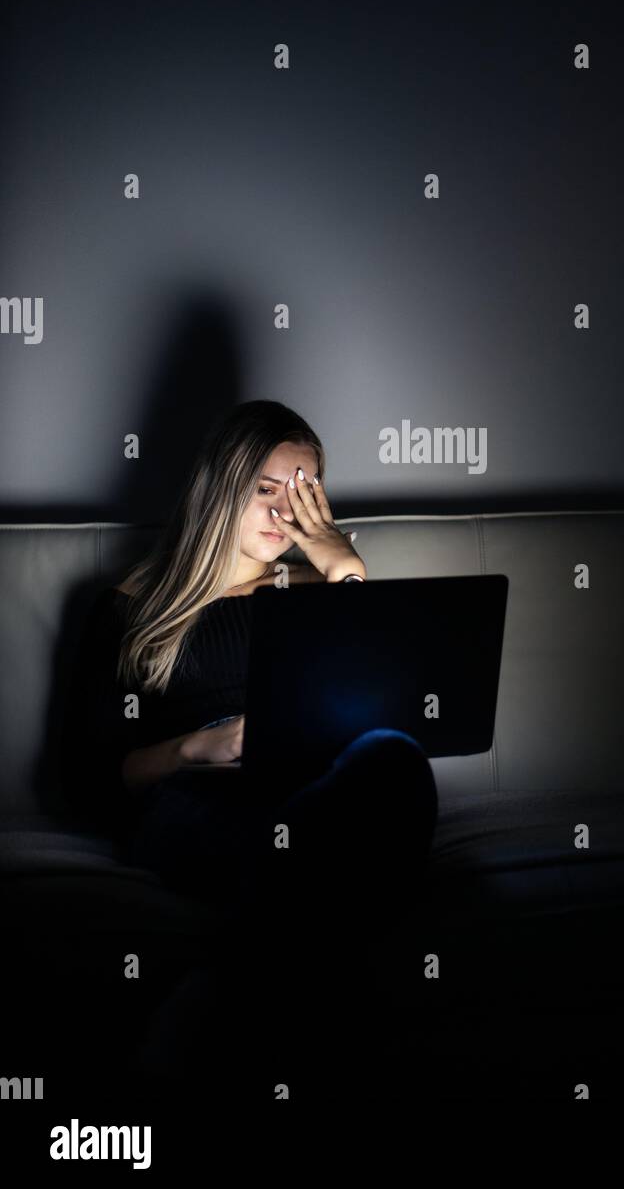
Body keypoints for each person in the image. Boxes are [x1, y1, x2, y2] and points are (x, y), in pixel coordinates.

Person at [62, 399, 440, 958]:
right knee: (288, 846)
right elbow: (96, 780)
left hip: (311, 782)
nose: (283, 515)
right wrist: (199, 747)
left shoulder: (322, 589)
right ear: (220, 488)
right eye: (266, 491)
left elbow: (376, 704)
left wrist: (347, 573)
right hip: (197, 795)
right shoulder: (128, 608)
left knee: (394, 755)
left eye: (301, 494)